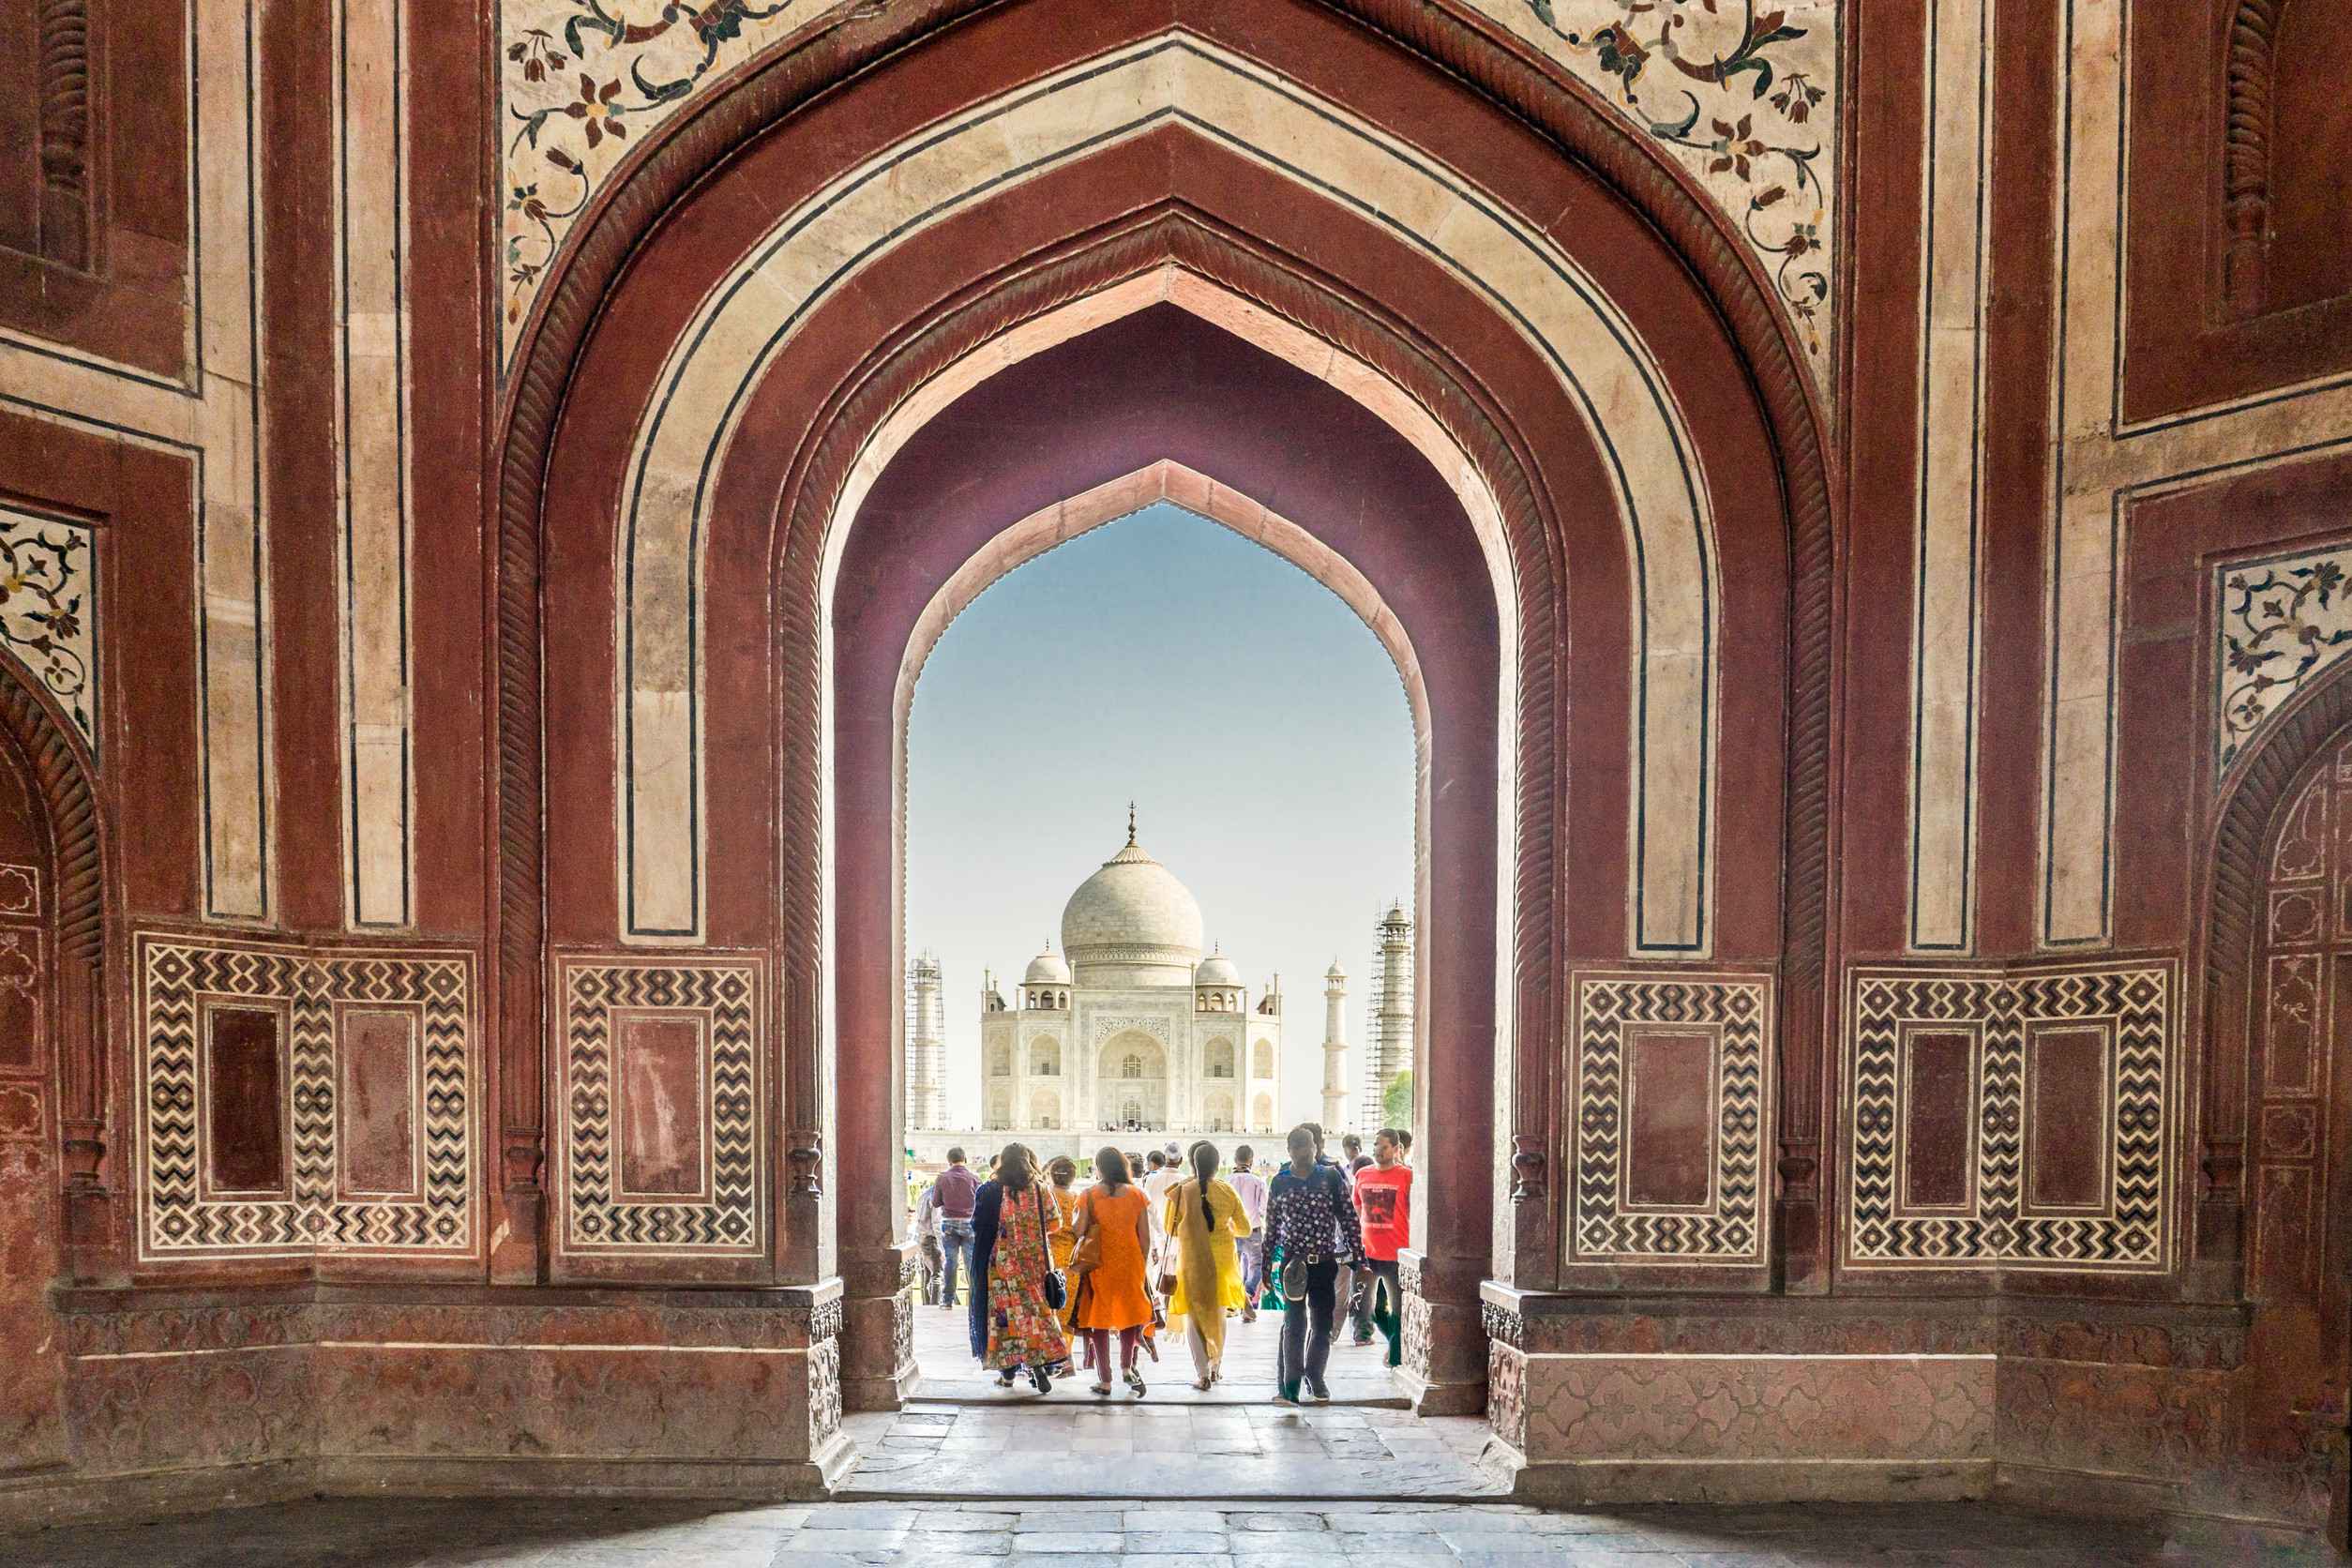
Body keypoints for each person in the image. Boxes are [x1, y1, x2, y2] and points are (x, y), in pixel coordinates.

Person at [1264, 1123, 1362, 1405]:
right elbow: (1272, 1227)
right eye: (1297, 1146)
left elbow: (1348, 1219)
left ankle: (1315, 1377)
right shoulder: (1281, 1181)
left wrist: (1359, 1258)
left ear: (1316, 1148)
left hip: (1324, 1263)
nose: (1304, 1151)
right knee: (1294, 1324)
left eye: (1308, 1145)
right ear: (1289, 1150)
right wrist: (1266, 1266)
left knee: (1322, 1324)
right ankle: (1290, 1388)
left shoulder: (1330, 1177)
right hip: (1293, 1265)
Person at [968, 1142, 1068, 1394]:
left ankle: (1008, 1375)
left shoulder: (991, 1190)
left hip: (1001, 1264)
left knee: (1005, 1320)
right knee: (1035, 1314)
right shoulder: (1040, 1190)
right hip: (1035, 1262)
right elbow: (1055, 1224)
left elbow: (977, 1225)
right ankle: (1038, 1365)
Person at [1163, 1140, 1252, 1391]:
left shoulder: (1181, 1191)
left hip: (1192, 1261)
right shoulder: (1227, 1191)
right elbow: (1245, 1229)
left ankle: (1201, 1374)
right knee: (1218, 1315)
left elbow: (1170, 1228)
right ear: (1217, 1165)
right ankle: (1215, 1368)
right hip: (1222, 1264)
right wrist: (1225, 1229)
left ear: (1192, 1163)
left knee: (1194, 1317)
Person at [1070, 1144, 1156, 1396]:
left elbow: (1079, 1230)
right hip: (1131, 1262)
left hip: (1100, 1264)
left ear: (1099, 1168)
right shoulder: (1137, 1195)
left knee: (1099, 1320)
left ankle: (1105, 1380)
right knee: (1129, 1317)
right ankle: (1127, 1368)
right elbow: (1145, 1237)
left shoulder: (1088, 1195)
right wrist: (1142, 1265)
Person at [1349, 1127, 1412, 1365]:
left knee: (1399, 1310)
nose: (1378, 1150)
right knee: (1368, 1308)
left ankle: (1395, 1355)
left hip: (1397, 1253)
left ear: (1396, 1149)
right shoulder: (1363, 1175)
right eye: (1376, 1145)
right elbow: (1356, 1212)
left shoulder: (1406, 1176)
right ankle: (1393, 1343)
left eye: (1384, 1146)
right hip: (1368, 1253)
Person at [930, 1149, 979, 1308]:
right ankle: (974, 1299)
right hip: (969, 1223)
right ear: (964, 1159)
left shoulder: (942, 1178)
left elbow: (936, 1202)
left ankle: (947, 1300)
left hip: (949, 1223)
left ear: (949, 1160)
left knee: (951, 1261)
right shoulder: (974, 1179)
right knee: (970, 1261)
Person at [1228, 1143, 1269, 1322]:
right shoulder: (1258, 1181)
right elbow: (1264, 1208)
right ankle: (1248, 1292)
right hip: (1253, 1229)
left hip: (1232, 1230)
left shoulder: (1227, 1181)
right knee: (1256, 1265)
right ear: (1251, 1161)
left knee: (1233, 1267)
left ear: (1235, 1160)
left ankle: (1236, 1299)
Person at [912, 1178, 944, 1305]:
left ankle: (927, 1304)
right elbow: (937, 1223)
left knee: (926, 1274)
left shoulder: (924, 1194)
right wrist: (943, 1247)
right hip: (932, 1239)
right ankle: (934, 1306)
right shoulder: (936, 1197)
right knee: (937, 1275)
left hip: (923, 1238)